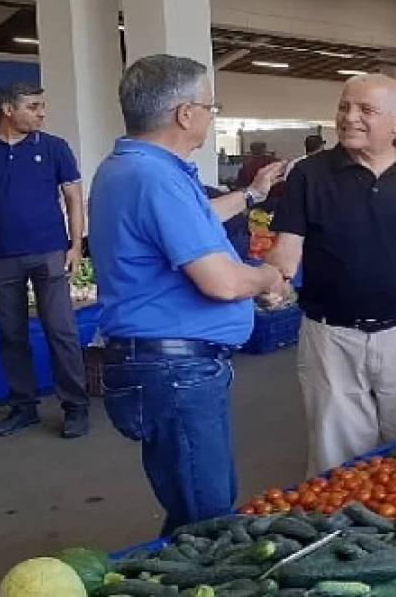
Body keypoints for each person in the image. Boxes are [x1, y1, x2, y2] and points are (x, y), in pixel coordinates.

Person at [89, 54, 286, 534]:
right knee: (207, 513)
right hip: (175, 371)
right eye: (210, 106)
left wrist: (252, 194)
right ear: (184, 113)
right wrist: (267, 277)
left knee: (192, 504)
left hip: (162, 364)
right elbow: (220, 281)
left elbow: (191, 224)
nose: (209, 115)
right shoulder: (155, 178)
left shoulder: (128, 168)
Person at [266, 73, 396, 476]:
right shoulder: (309, 174)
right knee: (337, 463)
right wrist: (272, 281)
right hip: (331, 339)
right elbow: (287, 248)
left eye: (366, 110)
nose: (349, 117)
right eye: (344, 107)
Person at [0, 82, 91, 439]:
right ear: (8, 109)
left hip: (50, 253)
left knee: (61, 332)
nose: (42, 113)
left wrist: (75, 246)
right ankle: (23, 407)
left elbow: (74, 198)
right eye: (34, 106)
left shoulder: (55, 147)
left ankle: (76, 407)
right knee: (10, 335)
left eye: (42, 106)